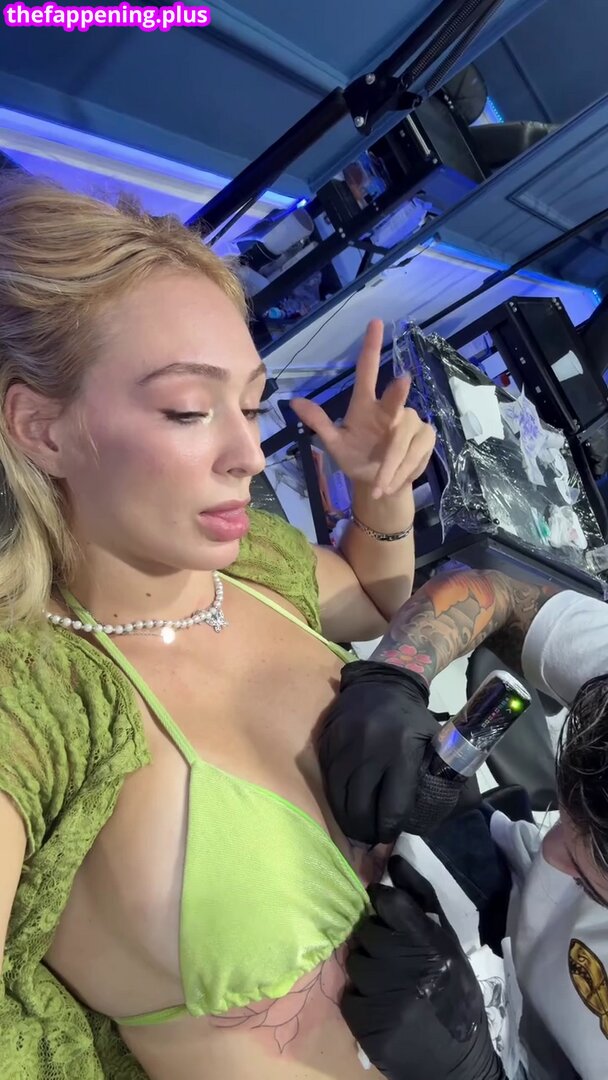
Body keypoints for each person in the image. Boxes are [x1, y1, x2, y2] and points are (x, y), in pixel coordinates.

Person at [0, 174, 436, 1080]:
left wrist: (380, 498)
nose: (248, 456)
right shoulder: (35, 699)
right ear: (41, 429)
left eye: (250, 404)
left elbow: (372, 593)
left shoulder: (252, 566)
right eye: (190, 411)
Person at [319, 566, 608, 1079]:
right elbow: (500, 595)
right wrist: (396, 676)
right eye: (565, 824)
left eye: (588, 881)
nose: (551, 851)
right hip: (495, 899)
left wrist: (473, 1070)